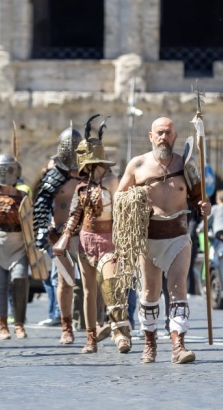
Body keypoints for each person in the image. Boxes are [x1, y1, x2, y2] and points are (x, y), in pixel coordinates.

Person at [117, 117, 211, 364]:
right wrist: (132, 202)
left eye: (168, 133)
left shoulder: (187, 165)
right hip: (148, 238)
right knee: (149, 293)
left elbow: (199, 198)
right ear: (150, 136)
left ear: (175, 136)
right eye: (159, 133)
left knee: (179, 289)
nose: (163, 137)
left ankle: (178, 346)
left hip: (178, 236)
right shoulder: (137, 165)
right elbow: (119, 199)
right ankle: (149, 345)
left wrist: (205, 206)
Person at [53, 116, 131, 354]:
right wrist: (65, 237)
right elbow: (76, 214)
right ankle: (91, 338)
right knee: (88, 291)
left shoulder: (113, 181)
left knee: (111, 285)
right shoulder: (81, 186)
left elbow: (121, 211)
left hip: (109, 239)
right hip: (86, 241)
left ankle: (121, 333)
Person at [33, 124, 82, 344]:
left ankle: (95, 325)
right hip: (63, 235)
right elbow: (41, 204)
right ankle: (66, 327)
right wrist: (43, 231)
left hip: (89, 233)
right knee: (65, 282)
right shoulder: (54, 175)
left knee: (95, 282)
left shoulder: (89, 172)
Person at [0, 145, 31, 341]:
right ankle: (3, 326)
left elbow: (30, 221)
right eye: (2, 169)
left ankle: (19, 324)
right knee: (0, 287)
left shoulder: (22, 197)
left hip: (18, 245)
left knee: (20, 280)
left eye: (9, 169)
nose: (5, 173)